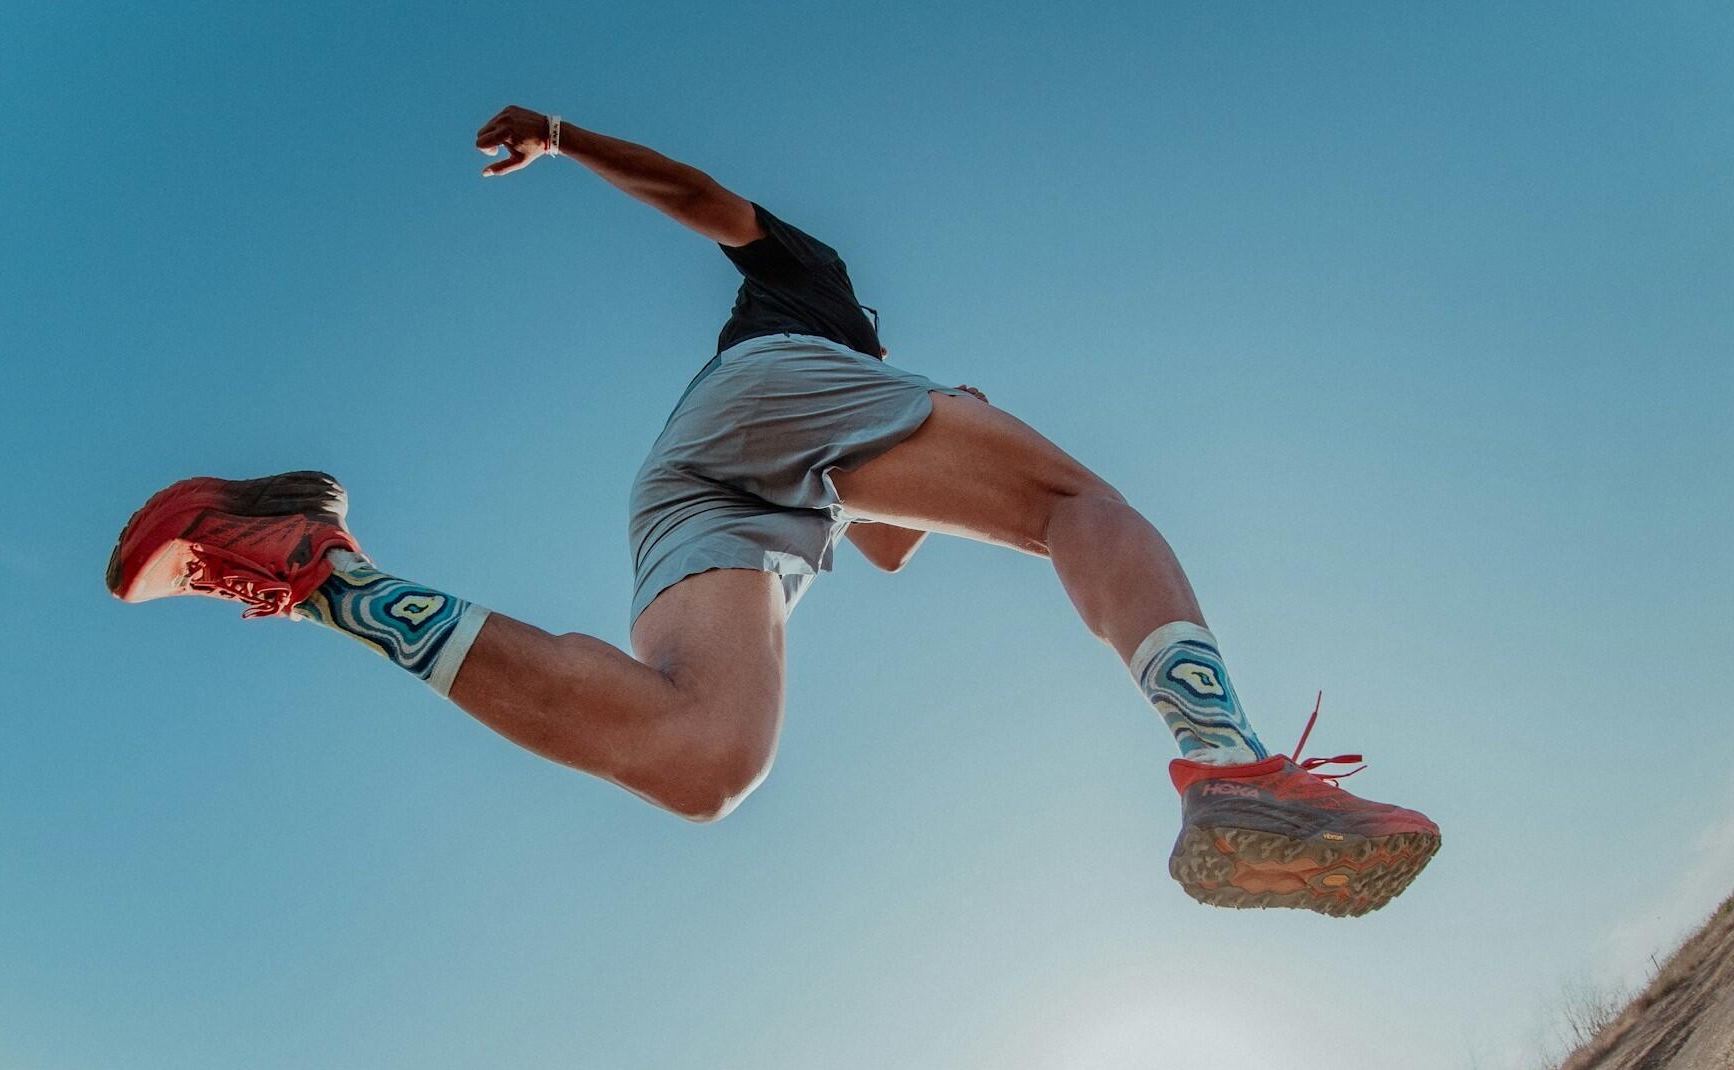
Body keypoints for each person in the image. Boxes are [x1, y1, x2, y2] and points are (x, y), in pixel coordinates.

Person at [106, 105, 1440, 917]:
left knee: (705, 762)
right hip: (763, 416)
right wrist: (566, 139)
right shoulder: (819, 292)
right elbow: (704, 201)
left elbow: (889, 534)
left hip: (715, 497)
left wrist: (944, 442)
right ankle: (1226, 757)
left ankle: (314, 560)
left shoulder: (855, 420)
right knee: (1071, 501)